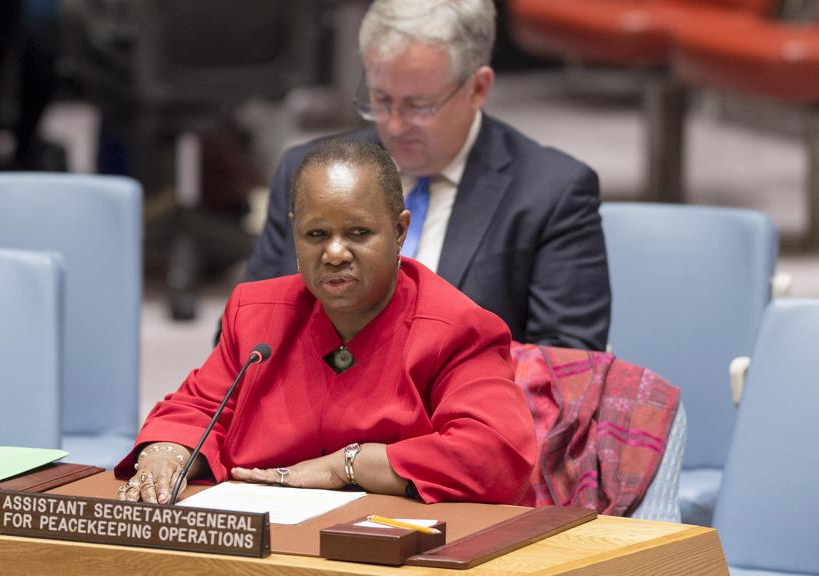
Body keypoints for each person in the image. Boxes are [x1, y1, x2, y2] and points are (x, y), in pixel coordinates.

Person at [116, 139, 536, 505]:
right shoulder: (256, 313)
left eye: (358, 233)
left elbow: (495, 454)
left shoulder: (456, 329)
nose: (335, 253)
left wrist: (347, 466)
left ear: (399, 231)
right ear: (295, 232)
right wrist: (166, 454)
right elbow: (197, 409)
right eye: (316, 235)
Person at [244, 0, 611, 351]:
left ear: (478, 88)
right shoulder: (309, 173)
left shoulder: (551, 192)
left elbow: (566, 367)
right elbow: (245, 332)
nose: (395, 125)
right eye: (380, 100)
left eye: (419, 106)